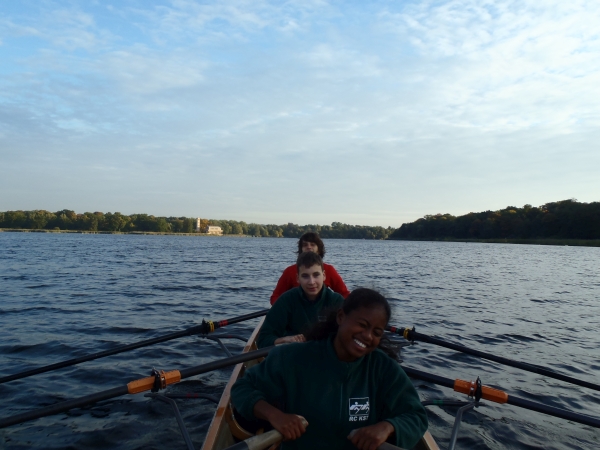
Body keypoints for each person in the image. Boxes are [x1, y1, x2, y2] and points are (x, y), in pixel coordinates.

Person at [232, 288, 429, 450]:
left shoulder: (384, 368)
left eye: (377, 332)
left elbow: (416, 416)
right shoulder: (291, 358)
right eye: (362, 325)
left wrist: (388, 427)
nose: (368, 336)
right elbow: (241, 390)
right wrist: (275, 416)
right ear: (341, 317)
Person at [257, 251, 344, 348]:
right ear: (298, 278)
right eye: (305, 276)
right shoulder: (286, 300)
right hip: (293, 356)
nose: (311, 282)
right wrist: (285, 340)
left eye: (316, 275)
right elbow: (262, 340)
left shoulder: (336, 301)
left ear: (324, 276)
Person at [270, 232, 349, 305]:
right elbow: (275, 297)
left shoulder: (329, 270)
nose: (309, 247)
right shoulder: (290, 271)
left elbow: (345, 294)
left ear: (319, 250)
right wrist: (286, 310)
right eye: (305, 245)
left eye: (312, 244)